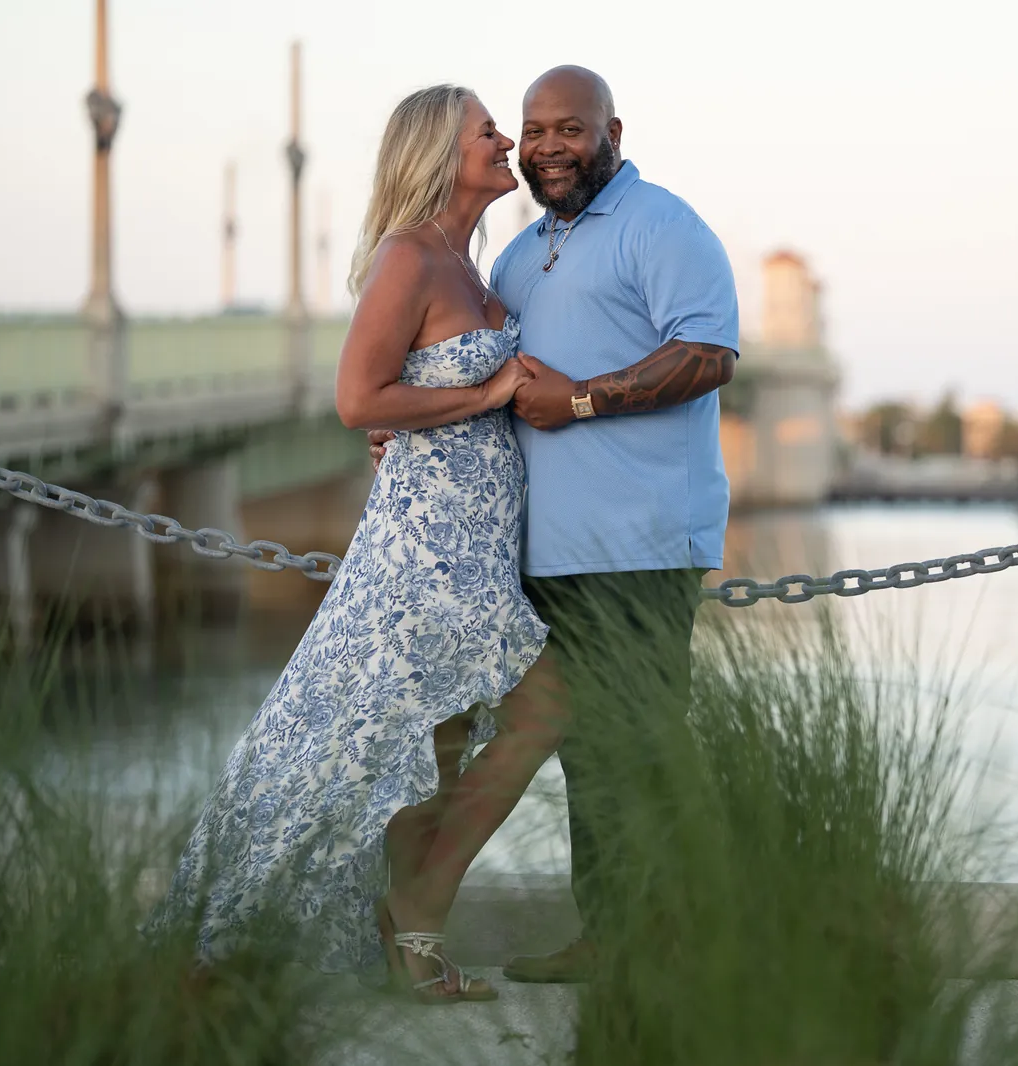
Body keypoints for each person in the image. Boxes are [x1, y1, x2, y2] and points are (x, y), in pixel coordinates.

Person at [145, 84, 565, 1004]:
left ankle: (410, 932)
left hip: (479, 551)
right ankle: (259, 937)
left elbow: (409, 400)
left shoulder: (474, 268)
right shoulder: (409, 257)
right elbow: (358, 400)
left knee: (435, 747)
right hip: (420, 557)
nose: (505, 142)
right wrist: (483, 396)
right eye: (485, 131)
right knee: (387, 739)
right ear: (435, 155)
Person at [368, 65, 739, 984]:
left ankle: (684, 944)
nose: (544, 149)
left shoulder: (665, 227)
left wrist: (581, 401)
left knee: (646, 742)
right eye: (532, 132)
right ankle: (612, 938)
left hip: (639, 542)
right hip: (541, 550)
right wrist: (403, 421)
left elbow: (707, 354)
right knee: (581, 747)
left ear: (613, 129)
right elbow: (497, 385)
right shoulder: (520, 254)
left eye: (567, 130)